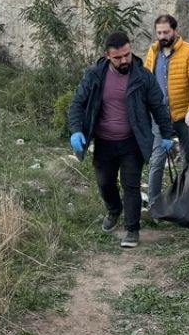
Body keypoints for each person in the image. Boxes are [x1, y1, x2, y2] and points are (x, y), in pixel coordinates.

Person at [68, 31, 176, 248]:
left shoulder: (143, 76)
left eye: (127, 54)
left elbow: (159, 107)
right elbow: (78, 103)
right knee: (104, 183)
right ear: (108, 56)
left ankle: (132, 229)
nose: (124, 60)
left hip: (132, 141)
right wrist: (76, 130)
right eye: (118, 57)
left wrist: (167, 134)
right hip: (104, 141)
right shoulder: (95, 75)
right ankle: (114, 210)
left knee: (131, 185)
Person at [142, 14, 189, 206]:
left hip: (183, 116)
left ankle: (187, 198)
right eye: (159, 32)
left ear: (175, 31)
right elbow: (146, 81)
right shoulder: (153, 52)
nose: (162, 36)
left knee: (188, 156)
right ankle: (154, 203)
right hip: (160, 117)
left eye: (166, 32)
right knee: (158, 159)